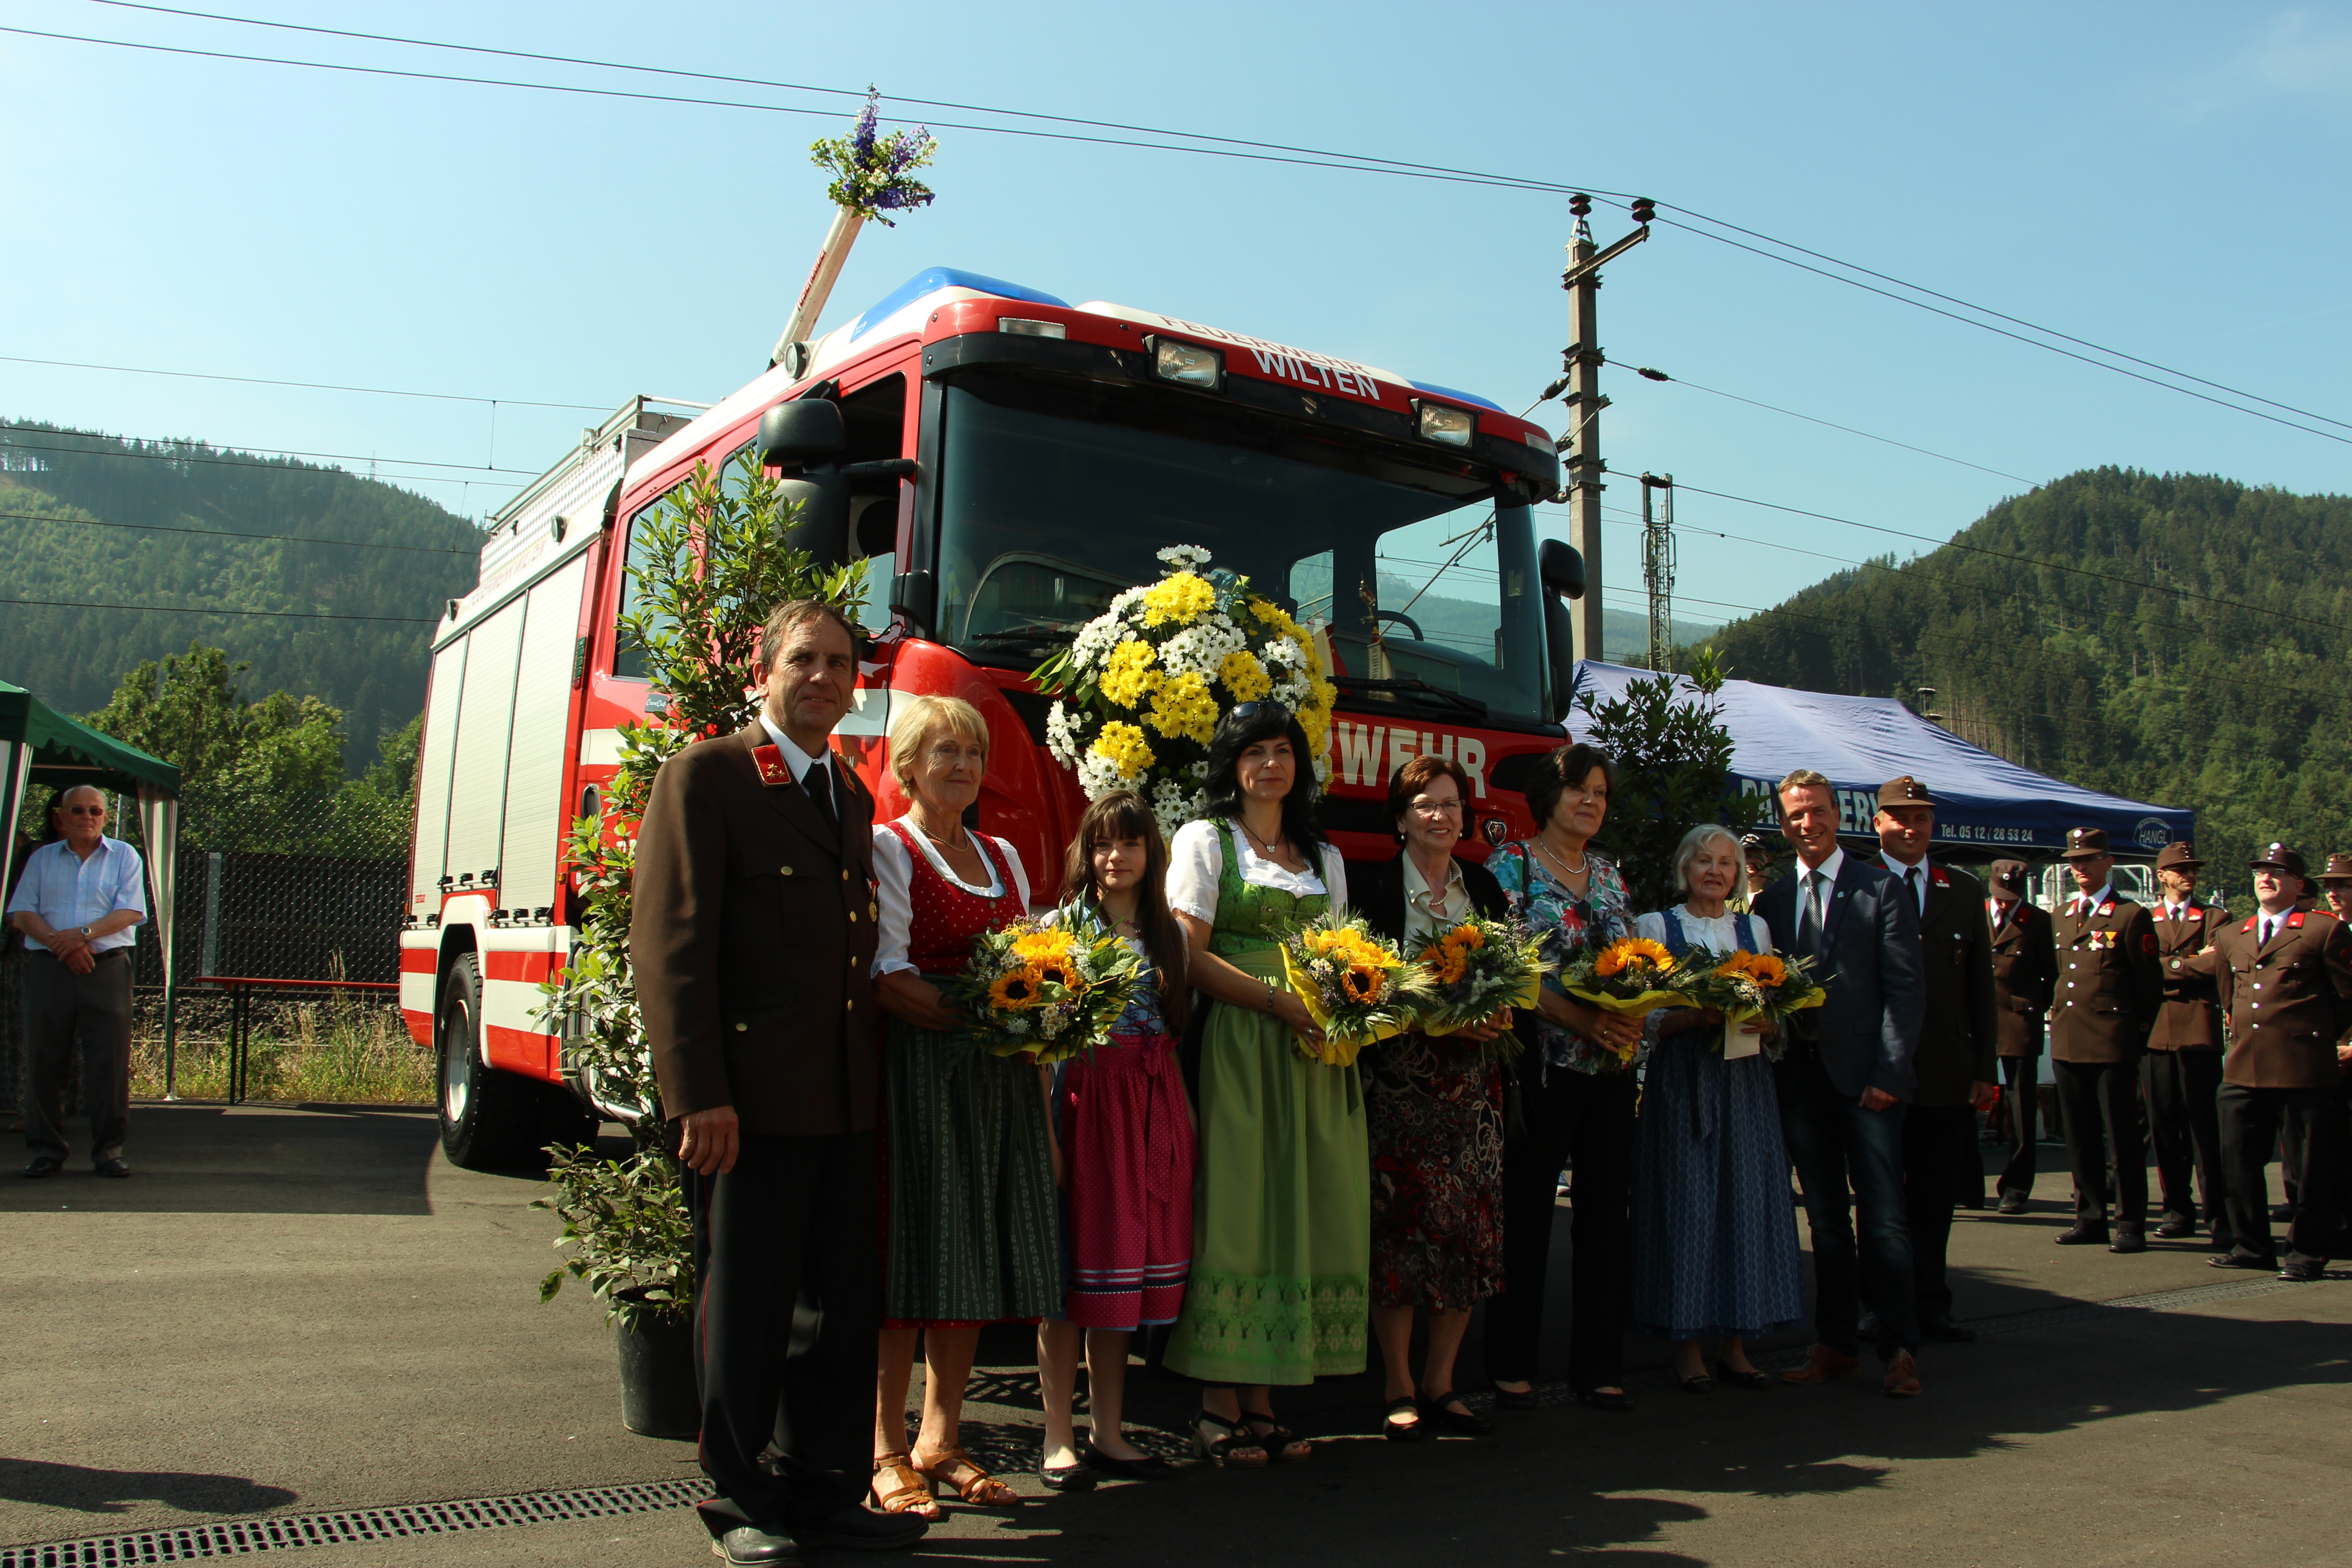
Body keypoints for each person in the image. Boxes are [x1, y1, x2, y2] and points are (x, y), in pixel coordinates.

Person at [631, 599, 923, 1563]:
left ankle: (824, 1486)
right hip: (745, 1107)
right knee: (748, 1307)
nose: (824, 678)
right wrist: (697, 1094)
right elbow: (673, 949)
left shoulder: (850, 793)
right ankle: (740, 1498)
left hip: (841, 1099)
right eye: (804, 660)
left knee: (837, 1310)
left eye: (841, 664)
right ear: (764, 671)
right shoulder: (707, 778)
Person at [868, 694, 1057, 1517]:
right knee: (914, 1248)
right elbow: (889, 976)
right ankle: (880, 1447)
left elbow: (1034, 959)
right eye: (943, 752)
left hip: (997, 1079)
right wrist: (984, 1017)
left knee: (971, 1244)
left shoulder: (1004, 856)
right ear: (908, 764)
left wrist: (1042, 1016)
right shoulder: (889, 848)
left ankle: (940, 1439)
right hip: (920, 1071)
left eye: (972, 754)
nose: (960, 767)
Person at [1160, 700, 1362, 1465]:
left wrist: (1342, 1003)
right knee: (1239, 1203)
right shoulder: (1204, 840)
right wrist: (1278, 1002)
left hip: (1312, 1052)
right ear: (1231, 765)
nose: (1269, 764)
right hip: (1241, 1040)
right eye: (1253, 752)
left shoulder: (1324, 856)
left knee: (1296, 1201)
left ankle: (1263, 1399)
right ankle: (1215, 1402)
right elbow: (1189, 954)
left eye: (1281, 750)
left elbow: (1340, 951)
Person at [1035, 791, 1196, 1490]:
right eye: (1102, 843)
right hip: (1086, 1104)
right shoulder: (1062, 929)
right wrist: (1048, 1139)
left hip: (1152, 1108)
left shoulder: (1170, 937)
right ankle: (1057, 1437)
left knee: (1121, 1277)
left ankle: (1108, 1430)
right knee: (1074, 1276)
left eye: (1129, 843)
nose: (1115, 857)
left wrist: (1181, 1129)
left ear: (1150, 853)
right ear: (1086, 852)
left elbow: (1175, 1037)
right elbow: (1040, 1045)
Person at [1751, 768, 1926, 1398]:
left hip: (1868, 1083)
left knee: (1883, 1220)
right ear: (1784, 821)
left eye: (1817, 811)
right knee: (1825, 1220)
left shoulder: (1880, 889)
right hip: (1801, 1083)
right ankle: (1836, 1344)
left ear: (1837, 815)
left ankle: (1900, 1348)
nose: (1807, 823)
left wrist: (1890, 1073)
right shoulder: (1770, 902)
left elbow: (1906, 992)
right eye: (1795, 814)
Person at [1352, 754, 1510, 1441]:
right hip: (1399, 1084)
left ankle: (1444, 1383)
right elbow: (1360, 984)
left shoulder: (1483, 887)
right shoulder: (1375, 889)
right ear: (1399, 819)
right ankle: (1399, 1383)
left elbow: (1513, 971)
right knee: (1398, 1237)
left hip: (1472, 1088)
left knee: (1465, 1235)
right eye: (1425, 805)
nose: (1440, 816)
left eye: (1450, 804)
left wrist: (1504, 1011)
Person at [1486, 742, 1647, 1413]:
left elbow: (1639, 961)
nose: (1591, 802)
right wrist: (1578, 1021)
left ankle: (1600, 1367)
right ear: (1548, 796)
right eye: (1580, 789)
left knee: (1607, 1218)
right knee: (1526, 1217)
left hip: (1611, 1069)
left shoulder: (1611, 876)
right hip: (1545, 1066)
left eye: (1602, 793)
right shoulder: (1509, 868)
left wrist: (1636, 1015)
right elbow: (1508, 970)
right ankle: (1512, 1364)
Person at [1629, 825, 1805, 1392]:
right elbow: (1643, 1020)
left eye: (1727, 863)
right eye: (1704, 860)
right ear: (1685, 868)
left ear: (1740, 874)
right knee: (1688, 1208)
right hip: (1684, 1082)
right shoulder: (1657, 927)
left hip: (1747, 1080)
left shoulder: (1755, 929)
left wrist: (1770, 1021)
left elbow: (1777, 1010)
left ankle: (1736, 1343)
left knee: (1744, 1206)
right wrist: (1693, 1017)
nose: (1715, 871)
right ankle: (1687, 1348)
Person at [2185, 843, 2352, 1281]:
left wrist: (2310, 1037)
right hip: (2244, 1067)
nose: (2266, 878)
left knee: (2309, 1168)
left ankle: (2307, 1253)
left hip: (2302, 1067)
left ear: (2299, 885)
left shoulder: (2322, 932)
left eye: (2278, 872)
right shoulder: (2231, 935)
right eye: (2261, 871)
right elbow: (2229, 996)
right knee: (2237, 1161)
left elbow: (2347, 1000)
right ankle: (2252, 1245)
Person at [1871, 777, 1998, 1343]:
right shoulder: (1858, 884)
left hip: (1946, 1069)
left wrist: (1984, 1068)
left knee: (1934, 1195)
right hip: (1878, 1069)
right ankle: (1878, 1305)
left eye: (1920, 817)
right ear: (1877, 823)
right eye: (1898, 817)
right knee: (1880, 1200)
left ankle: (1932, 1302)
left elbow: (1980, 988)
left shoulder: (1963, 890)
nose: (1910, 827)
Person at [7, 785, 146, 1180]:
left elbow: (131, 911)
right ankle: (46, 1151)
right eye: (78, 810)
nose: (88, 817)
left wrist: (80, 936)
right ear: (61, 817)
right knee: (44, 1059)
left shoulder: (124, 856)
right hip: (49, 967)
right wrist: (62, 944)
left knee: (109, 1062)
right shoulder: (41, 859)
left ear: (106, 817)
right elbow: (20, 913)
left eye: (96, 811)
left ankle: (108, 1151)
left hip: (105, 968)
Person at [2048, 827, 2162, 1254]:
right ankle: (2090, 1216)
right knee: (2080, 1136)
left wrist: (2136, 1036)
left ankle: (2131, 1221)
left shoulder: (2130, 915)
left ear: (2108, 862)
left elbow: (2148, 986)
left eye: (2090, 859)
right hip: (2069, 1039)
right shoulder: (2061, 915)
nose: (2081, 868)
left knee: (2122, 1137)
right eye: (2075, 861)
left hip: (2112, 1041)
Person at [2143, 842, 2228, 1249]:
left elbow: (2218, 963)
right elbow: (2143, 968)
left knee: (2205, 1131)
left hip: (2199, 1035)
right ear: (2162, 876)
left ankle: (2218, 1214)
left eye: (2192, 868)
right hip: (2157, 1035)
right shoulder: (2146, 918)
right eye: (2180, 869)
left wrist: (2170, 967)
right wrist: (2190, 964)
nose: (2189, 874)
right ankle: (2177, 1210)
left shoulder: (2216, 917)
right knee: (2164, 1128)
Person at [1985, 860, 2058, 1214]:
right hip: (1979, 1019)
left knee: (2021, 1108)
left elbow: (2052, 976)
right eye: (2000, 897)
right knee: (1963, 1100)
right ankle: (1967, 1182)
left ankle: (2016, 1186)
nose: (2004, 905)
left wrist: (2031, 1006)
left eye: (2010, 899)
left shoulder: (2039, 922)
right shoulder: (1975, 912)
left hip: (2018, 1020)